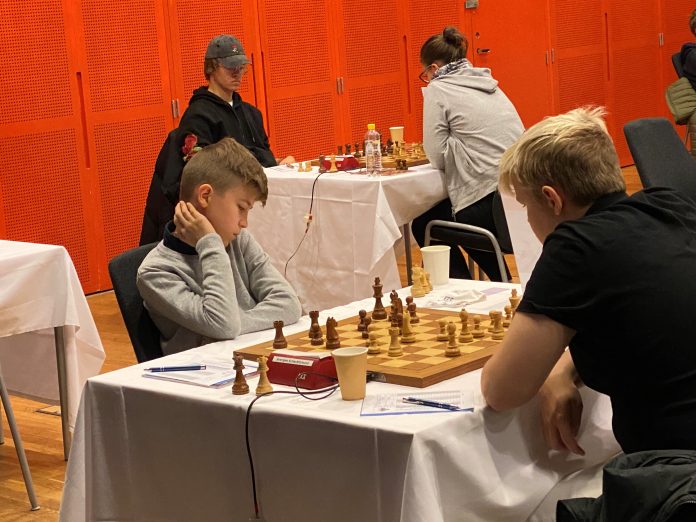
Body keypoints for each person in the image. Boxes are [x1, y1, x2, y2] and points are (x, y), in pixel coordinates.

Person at [481, 107, 696, 456]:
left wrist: (549, 371)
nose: (529, 220)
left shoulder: (574, 247)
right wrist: (562, 369)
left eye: (525, 206)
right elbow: (647, 326)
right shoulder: (670, 205)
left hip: (674, 471)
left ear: (551, 199)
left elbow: (501, 391)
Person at [137, 137, 302, 355]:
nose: (244, 223)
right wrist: (209, 243)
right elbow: (223, 323)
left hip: (251, 358)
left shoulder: (238, 241)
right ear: (205, 196)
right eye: (241, 208)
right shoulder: (155, 273)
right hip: (204, 370)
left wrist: (234, 324)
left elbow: (289, 304)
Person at [140, 34, 294, 245]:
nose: (237, 73)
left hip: (254, 206)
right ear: (212, 68)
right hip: (221, 215)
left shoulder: (251, 114)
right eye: (231, 67)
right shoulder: (198, 115)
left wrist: (278, 164)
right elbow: (202, 172)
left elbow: (259, 157)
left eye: (241, 67)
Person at [411, 26, 524, 282]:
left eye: (425, 73)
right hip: (519, 198)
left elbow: (436, 155)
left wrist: (454, 146)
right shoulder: (488, 82)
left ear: (434, 68)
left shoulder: (439, 88)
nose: (427, 78)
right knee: (455, 211)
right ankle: (502, 283)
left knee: (425, 222)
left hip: (489, 208)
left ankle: (460, 291)